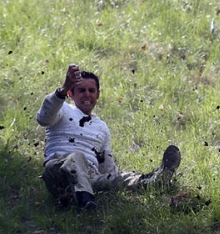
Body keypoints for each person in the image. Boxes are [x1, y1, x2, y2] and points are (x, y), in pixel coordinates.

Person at [37, 64, 182, 210]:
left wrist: (115, 178)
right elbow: (43, 118)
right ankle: (84, 199)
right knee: (76, 157)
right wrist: (63, 89)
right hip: (59, 172)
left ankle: (155, 180)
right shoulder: (62, 109)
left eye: (91, 90)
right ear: (71, 94)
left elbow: (106, 166)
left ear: (98, 94)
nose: (87, 94)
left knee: (119, 178)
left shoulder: (101, 127)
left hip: (89, 178)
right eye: (81, 90)